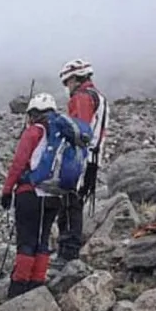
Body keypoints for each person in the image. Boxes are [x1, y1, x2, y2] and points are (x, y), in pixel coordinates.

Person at [1, 93, 64, 299]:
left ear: (32, 114)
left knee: (26, 241)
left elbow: (19, 164)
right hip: (54, 195)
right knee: (42, 240)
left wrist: (7, 191)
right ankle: (37, 287)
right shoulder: (62, 135)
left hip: (30, 193)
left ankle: (19, 289)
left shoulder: (33, 132)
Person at [54, 58, 110, 267]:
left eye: (68, 82)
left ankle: (67, 254)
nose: (67, 87)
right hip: (94, 158)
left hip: (80, 158)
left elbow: (78, 130)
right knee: (75, 202)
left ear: (76, 78)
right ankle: (69, 252)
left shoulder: (82, 98)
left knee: (69, 203)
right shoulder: (100, 97)